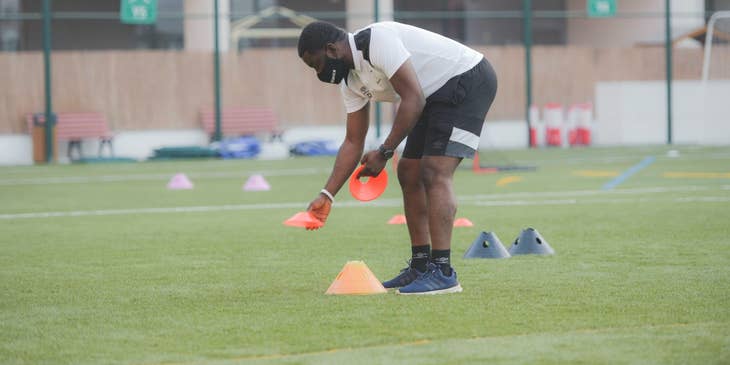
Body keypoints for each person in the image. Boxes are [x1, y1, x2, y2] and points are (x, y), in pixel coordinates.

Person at [297, 20, 497, 295]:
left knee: (434, 171)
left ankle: (443, 272)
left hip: (466, 78)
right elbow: (353, 141)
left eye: (315, 64)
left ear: (331, 49)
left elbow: (412, 99)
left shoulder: (377, 40)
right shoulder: (351, 81)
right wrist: (327, 194)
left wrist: (384, 152)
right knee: (408, 172)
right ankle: (421, 265)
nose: (318, 73)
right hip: (431, 96)